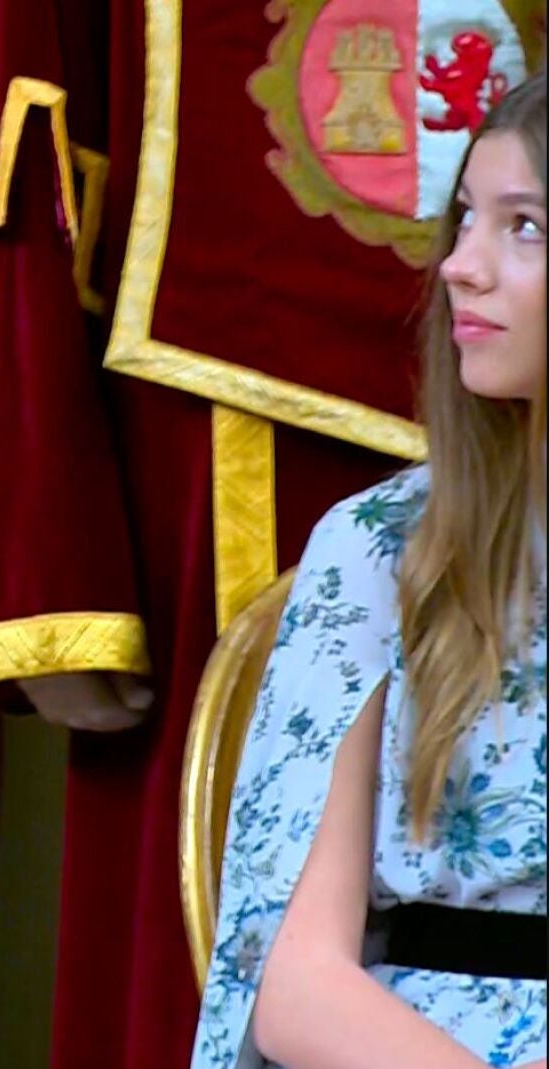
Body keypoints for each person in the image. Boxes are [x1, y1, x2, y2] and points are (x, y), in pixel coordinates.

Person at [192, 72, 548, 1069]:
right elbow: (294, 984)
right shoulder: (379, 547)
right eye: (466, 218)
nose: (460, 268)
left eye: (524, 228)